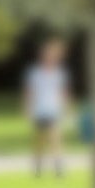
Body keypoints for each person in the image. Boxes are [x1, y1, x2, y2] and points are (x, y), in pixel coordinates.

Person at [24, 36, 70, 177]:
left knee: (55, 138)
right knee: (40, 141)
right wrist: (28, 108)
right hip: (39, 110)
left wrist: (66, 108)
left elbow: (62, 92)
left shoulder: (59, 74)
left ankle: (58, 167)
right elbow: (30, 92)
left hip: (53, 109)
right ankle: (38, 166)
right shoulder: (35, 73)